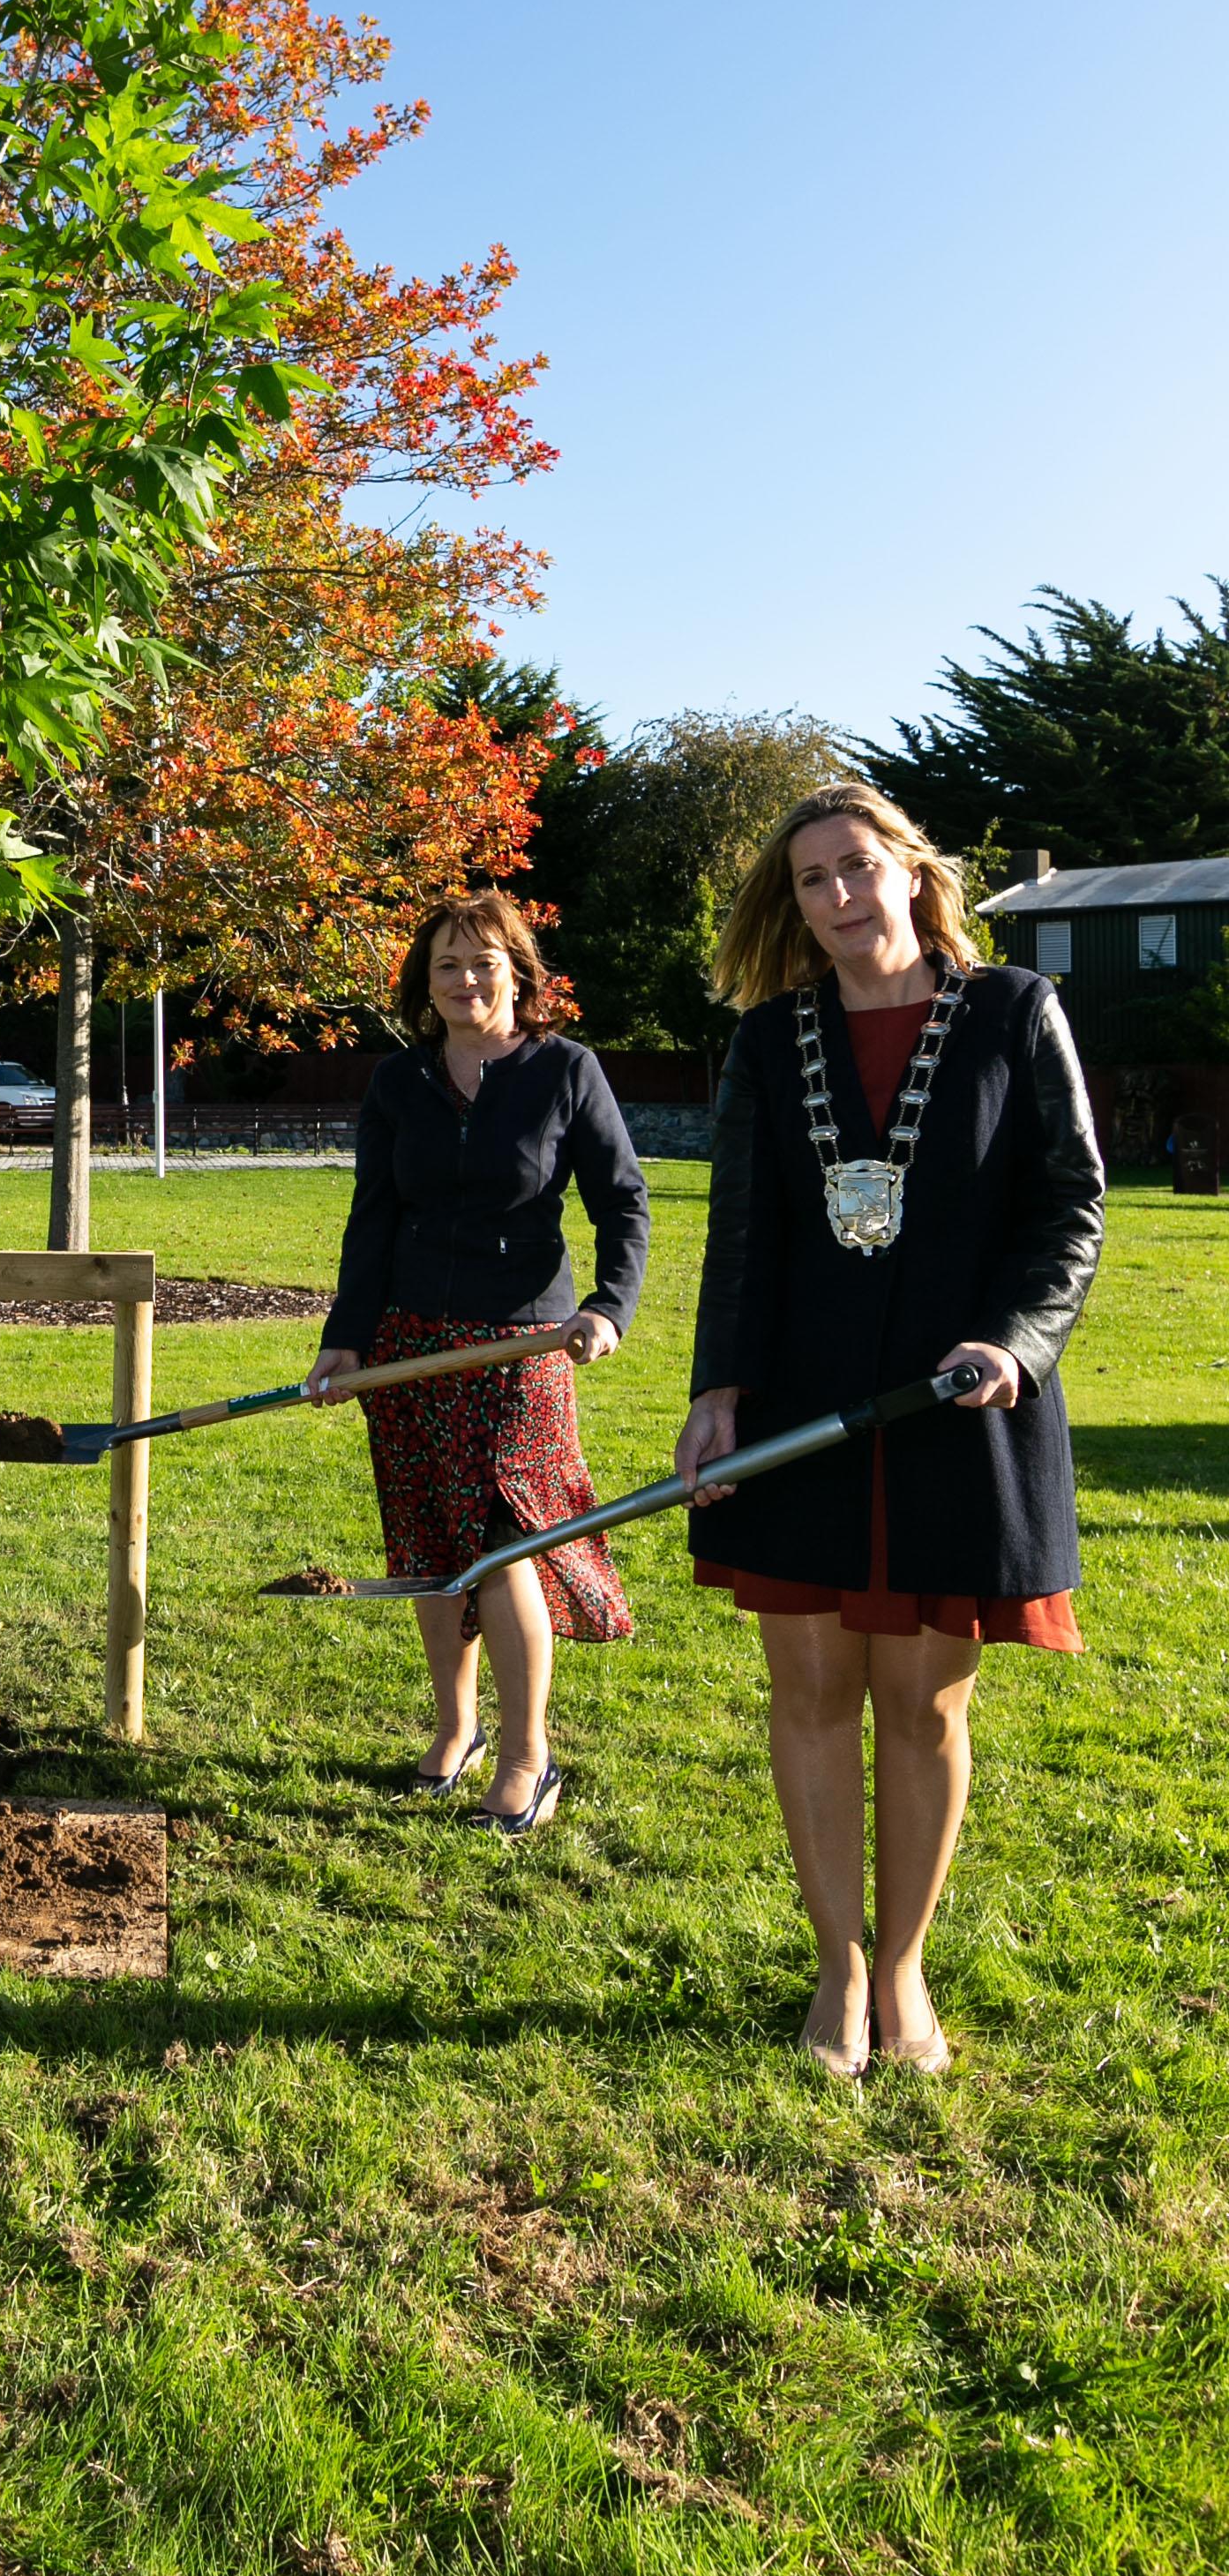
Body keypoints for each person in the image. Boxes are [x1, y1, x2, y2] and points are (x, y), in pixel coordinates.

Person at [676, 781, 1104, 2079]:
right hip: (802, 1404)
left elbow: (1069, 1208)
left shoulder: (1017, 1013)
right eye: (813, 880)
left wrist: (1016, 1346)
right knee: (808, 1692)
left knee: (920, 1705)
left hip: (956, 1407)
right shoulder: (768, 1040)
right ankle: (837, 1968)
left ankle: (905, 1971)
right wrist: (717, 1389)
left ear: (915, 872)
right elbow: (742, 1231)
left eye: (859, 866)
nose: (840, 896)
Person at [308, 891, 650, 1825]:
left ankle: (529, 1754)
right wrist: (346, 1339)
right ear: (427, 981)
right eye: (448, 965)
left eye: (485, 961)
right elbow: (372, 1218)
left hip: (522, 1345)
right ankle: (454, 1728)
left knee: (507, 1544)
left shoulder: (565, 1072)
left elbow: (624, 1202)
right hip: (407, 1345)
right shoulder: (399, 1082)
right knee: (428, 1538)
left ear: (520, 973)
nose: (466, 980)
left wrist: (607, 1307)